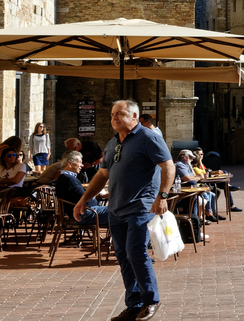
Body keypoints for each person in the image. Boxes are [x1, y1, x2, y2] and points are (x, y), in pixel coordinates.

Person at [74, 100, 174, 321]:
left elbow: (168, 165)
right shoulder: (112, 143)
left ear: (135, 117)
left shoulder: (149, 138)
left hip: (141, 206)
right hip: (116, 208)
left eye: (120, 114)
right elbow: (102, 175)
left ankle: (151, 300)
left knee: (135, 252)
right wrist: (84, 199)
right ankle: (134, 303)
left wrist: (163, 196)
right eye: (112, 114)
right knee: (123, 256)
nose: (114, 118)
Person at [54, 151, 108, 227]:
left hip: (82, 213)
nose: (82, 165)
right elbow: (85, 199)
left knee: (118, 211)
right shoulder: (69, 179)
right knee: (120, 210)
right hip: (84, 214)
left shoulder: (65, 178)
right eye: (80, 162)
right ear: (69, 164)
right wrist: (99, 196)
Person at [174, 150, 219, 225]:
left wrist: (194, 173)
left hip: (189, 190)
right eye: (191, 158)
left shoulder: (186, 165)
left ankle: (199, 219)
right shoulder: (180, 165)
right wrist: (198, 177)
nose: (192, 160)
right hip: (182, 193)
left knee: (207, 194)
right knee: (198, 197)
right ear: (185, 157)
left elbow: (194, 176)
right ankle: (197, 221)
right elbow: (187, 178)